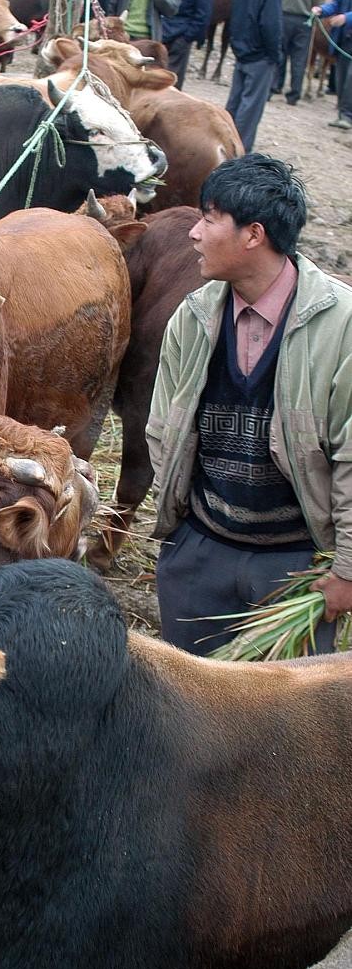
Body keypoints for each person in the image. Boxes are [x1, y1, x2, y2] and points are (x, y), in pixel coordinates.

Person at [147, 154, 352, 656]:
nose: (193, 233)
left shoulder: (342, 327)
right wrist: (181, 542)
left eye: (208, 218)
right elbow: (162, 428)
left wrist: (348, 567)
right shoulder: (192, 318)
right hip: (199, 552)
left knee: (283, 727)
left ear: (253, 235)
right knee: (193, 714)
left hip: (293, 566)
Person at [225, 0, 285, 152]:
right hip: (260, 55)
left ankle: (223, 139)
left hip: (241, 50)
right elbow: (270, 25)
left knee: (235, 101)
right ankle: (238, 150)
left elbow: (236, 13)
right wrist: (274, 54)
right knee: (250, 108)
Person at [274, 0, 326, 105]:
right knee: (300, 57)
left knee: (280, 53)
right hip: (305, 21)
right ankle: (294, 93)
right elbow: (320, 1)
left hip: (284, 16)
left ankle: (276, 85)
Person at [312, 0, 352, 130]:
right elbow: (336, 4)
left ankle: (347, 116)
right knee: (341, 78)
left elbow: (343, 14)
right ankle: (343, 114)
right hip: (345, 40)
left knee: (351, 77)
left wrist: (347, 18)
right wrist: (322, 10)